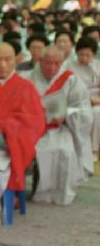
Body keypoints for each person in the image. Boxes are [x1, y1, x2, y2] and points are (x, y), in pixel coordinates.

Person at [0, 43, 45, 227]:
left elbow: (33, 122)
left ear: (16, 60)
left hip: (10, 144)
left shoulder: (25, 87)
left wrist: (3, 127)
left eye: (7, 60)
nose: (2, 65)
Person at [27, 46, 93, 205]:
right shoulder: (28, 79)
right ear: (40, 61)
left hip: (62, 127)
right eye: (48, 63)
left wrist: (65, 114)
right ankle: (41, 191)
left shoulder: (70, 79)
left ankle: (61, 193)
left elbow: (83, 108)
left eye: (57, 63)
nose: (52, 68)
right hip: (34, 129)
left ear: (62, 62)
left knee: (65, 150)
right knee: (42, 150)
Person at [70, 37, 100, 158]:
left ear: (93, 54)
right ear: (76, 52)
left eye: (88, 55)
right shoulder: (69, 65)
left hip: (95, 100)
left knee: (97, 113)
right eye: (81, 54)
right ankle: (78, 149)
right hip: (75, 101)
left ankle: (94, 149)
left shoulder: (98, 66)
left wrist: (96, 100)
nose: (84, 58)